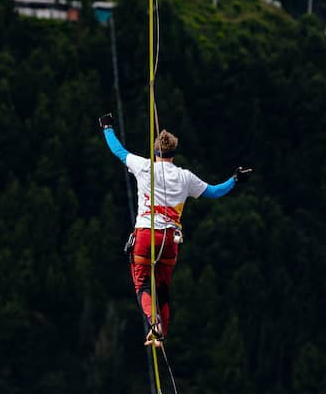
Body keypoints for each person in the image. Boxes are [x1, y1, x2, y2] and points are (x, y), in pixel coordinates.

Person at [98, 113, 252, 347]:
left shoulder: (143, 167)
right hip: (170, 239)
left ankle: (154, 323)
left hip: (145, 234)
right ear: (173, 153)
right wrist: (235, 179)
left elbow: (118, 150)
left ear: (155, 151)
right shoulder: (185, 177)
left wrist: (107, 127)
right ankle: (161, 334)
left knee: (142, 285)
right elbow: (214, 192)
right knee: (163, 290)